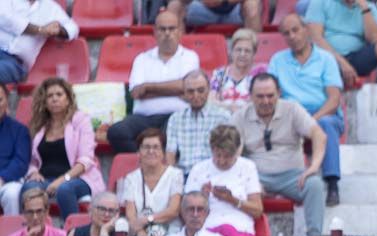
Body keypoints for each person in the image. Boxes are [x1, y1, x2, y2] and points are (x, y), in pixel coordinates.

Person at [234, 73, 327, 236]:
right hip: (257, 177)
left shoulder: (292, 109)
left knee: (315, 185)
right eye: (260, 96)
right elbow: (233, 153)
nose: (266, 101)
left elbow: (319, 135)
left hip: (292, 176)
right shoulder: (240, 116)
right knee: (237, 190)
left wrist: (314, 166)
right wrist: (249, 182)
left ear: (279, 93)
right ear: (251, 96)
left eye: (270, 96)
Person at [270, 13, 346, 206]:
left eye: (295, 30)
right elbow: (271, 93)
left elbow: (334, 99)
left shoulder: (325, 59)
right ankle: (284, 185)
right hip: (292, 115)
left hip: (323, 114)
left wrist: (312, 121)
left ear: (306, 30)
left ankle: (332, 184)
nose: (292, 36)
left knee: (325, 124)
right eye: (286, 33)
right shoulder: (278, 60)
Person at [106, 11, 201, 154]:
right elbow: (136, 93)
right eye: (162, 29)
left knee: (172, 134)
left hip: (176, 116)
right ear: (155, 32)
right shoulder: (142, 59)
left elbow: (187, 87)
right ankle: (142, 162)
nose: (167, 33)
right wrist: (175, 89)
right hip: (143, 118)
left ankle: (158, 165)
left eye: (171, 28)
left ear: (180, 31)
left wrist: (148, 87)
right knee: (116, 132)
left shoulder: (190, 57)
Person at [305, 0, 377, 120]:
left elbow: (375, 39)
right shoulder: (321, 2)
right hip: (327, 58)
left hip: (356, 57)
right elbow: (315, 38)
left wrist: (365, 9)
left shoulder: (368, 7)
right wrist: (341, 62)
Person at [22, 77, 104, 219]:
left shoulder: (80, 120)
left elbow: (86, 160)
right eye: (50, 96)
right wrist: (33, 172)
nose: (54, 99)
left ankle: (72, 231)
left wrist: (62, 179)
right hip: (46, 178)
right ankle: (36, 229)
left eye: (59, 94)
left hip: (78, 178)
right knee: (29, 188)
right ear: (44, 101)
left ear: (68, 99)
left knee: (64, 189)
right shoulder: (39, 125)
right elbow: (32, 160)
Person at [183, 125, 263, 236]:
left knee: (227, 230)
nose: (221, 161)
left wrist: (232, 200)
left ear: (237, 152)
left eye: (227, 157)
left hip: (240, 234)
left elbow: (257, 210)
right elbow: (184, 210)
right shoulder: (199, 169)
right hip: (206, 232)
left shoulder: (247, 167)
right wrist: (202, 197)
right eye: (217, 155)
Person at [166, 70, 232, 177]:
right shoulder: (175, 119)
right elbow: (170, 154)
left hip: (214, 174)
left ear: (208, 89)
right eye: (190, 91)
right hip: (184, 175)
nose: (196, 95)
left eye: (201, 90)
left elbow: (228, 152)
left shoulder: (223, 117)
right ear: (184, 93)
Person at [0, 0, 79, 85]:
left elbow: (73, 28)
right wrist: (41, 30)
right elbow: (6, 18)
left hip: (15, 63)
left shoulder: (50, 7)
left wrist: (58, 30)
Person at [209, 28, 267, 113]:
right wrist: (230, 107)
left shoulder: (260, 74)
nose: (242, 54)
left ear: (254, 53)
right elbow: (211, 101)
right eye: (238, 50)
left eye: (247, 51)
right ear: (231, 51)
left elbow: (261, 102)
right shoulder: (220, 74)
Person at [0, 89, 30, 216]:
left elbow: (20, 162)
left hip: (8, 182)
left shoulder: (19, 130)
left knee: (12, 194)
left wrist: (2, 178)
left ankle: (12, 229)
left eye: (0, 100)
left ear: (7, 101)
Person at [166, 0, 262, 32]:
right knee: (175, 4)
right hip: (200, 10)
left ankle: (256, 52)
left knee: (252, 4)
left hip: (233, 11)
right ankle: (178, 52)